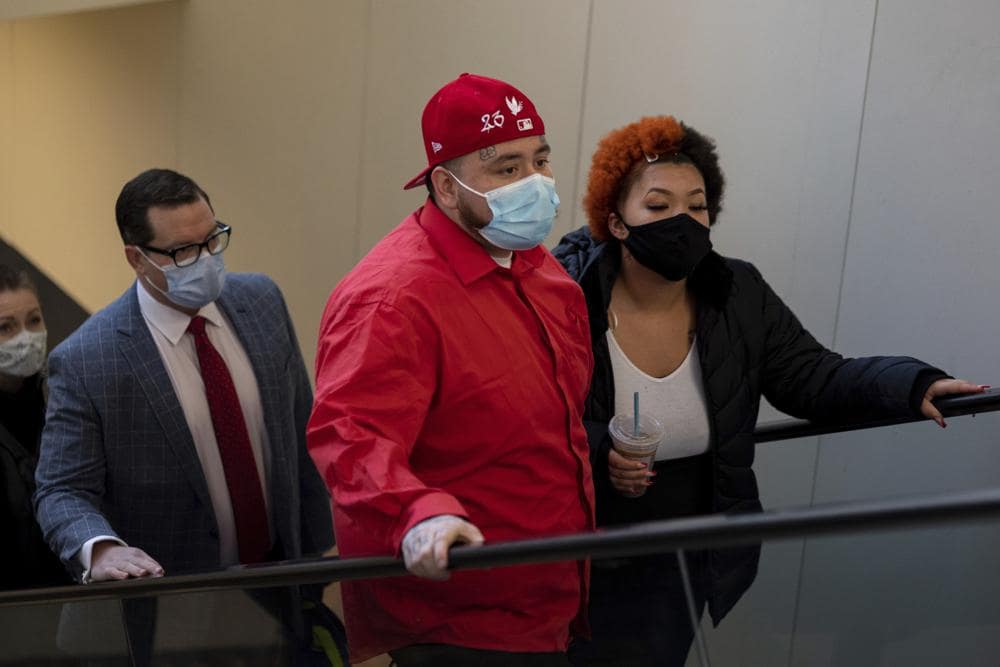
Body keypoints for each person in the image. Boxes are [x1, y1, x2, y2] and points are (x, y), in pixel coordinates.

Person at [552, 116, 985, 666]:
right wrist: (599, 450)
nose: (682, 221)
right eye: (658, 207)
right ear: (614, 221)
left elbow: (812, 376)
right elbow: (527, 412)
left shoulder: (738, 291)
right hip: (579, 536)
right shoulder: (566, 296)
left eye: (697, 205)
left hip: (686, 541)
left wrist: (912, 382)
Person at [307, 73, 595, 666]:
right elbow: (350, 435)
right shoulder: (393, 296)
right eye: (507, 169)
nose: (535, 183)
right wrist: (416, 512)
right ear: (444, 184)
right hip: (460, 620)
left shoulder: (543, 273)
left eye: (540, 161)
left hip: (554, 602)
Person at [34, 168, 334, 583]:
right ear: (136, 258)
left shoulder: (263, 300)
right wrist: (101, 549)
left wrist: (324, 551)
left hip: (282, 575)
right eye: (182, 251)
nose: (206, 259)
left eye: (212, 239)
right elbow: (61, 490)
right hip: (173, 600)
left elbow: (300, 429)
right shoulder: (88, 360)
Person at [0, 266, 69, 589]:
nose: (25, 338)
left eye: (34, 321)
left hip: (69, 601)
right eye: (6, 327)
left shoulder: (65, 398)